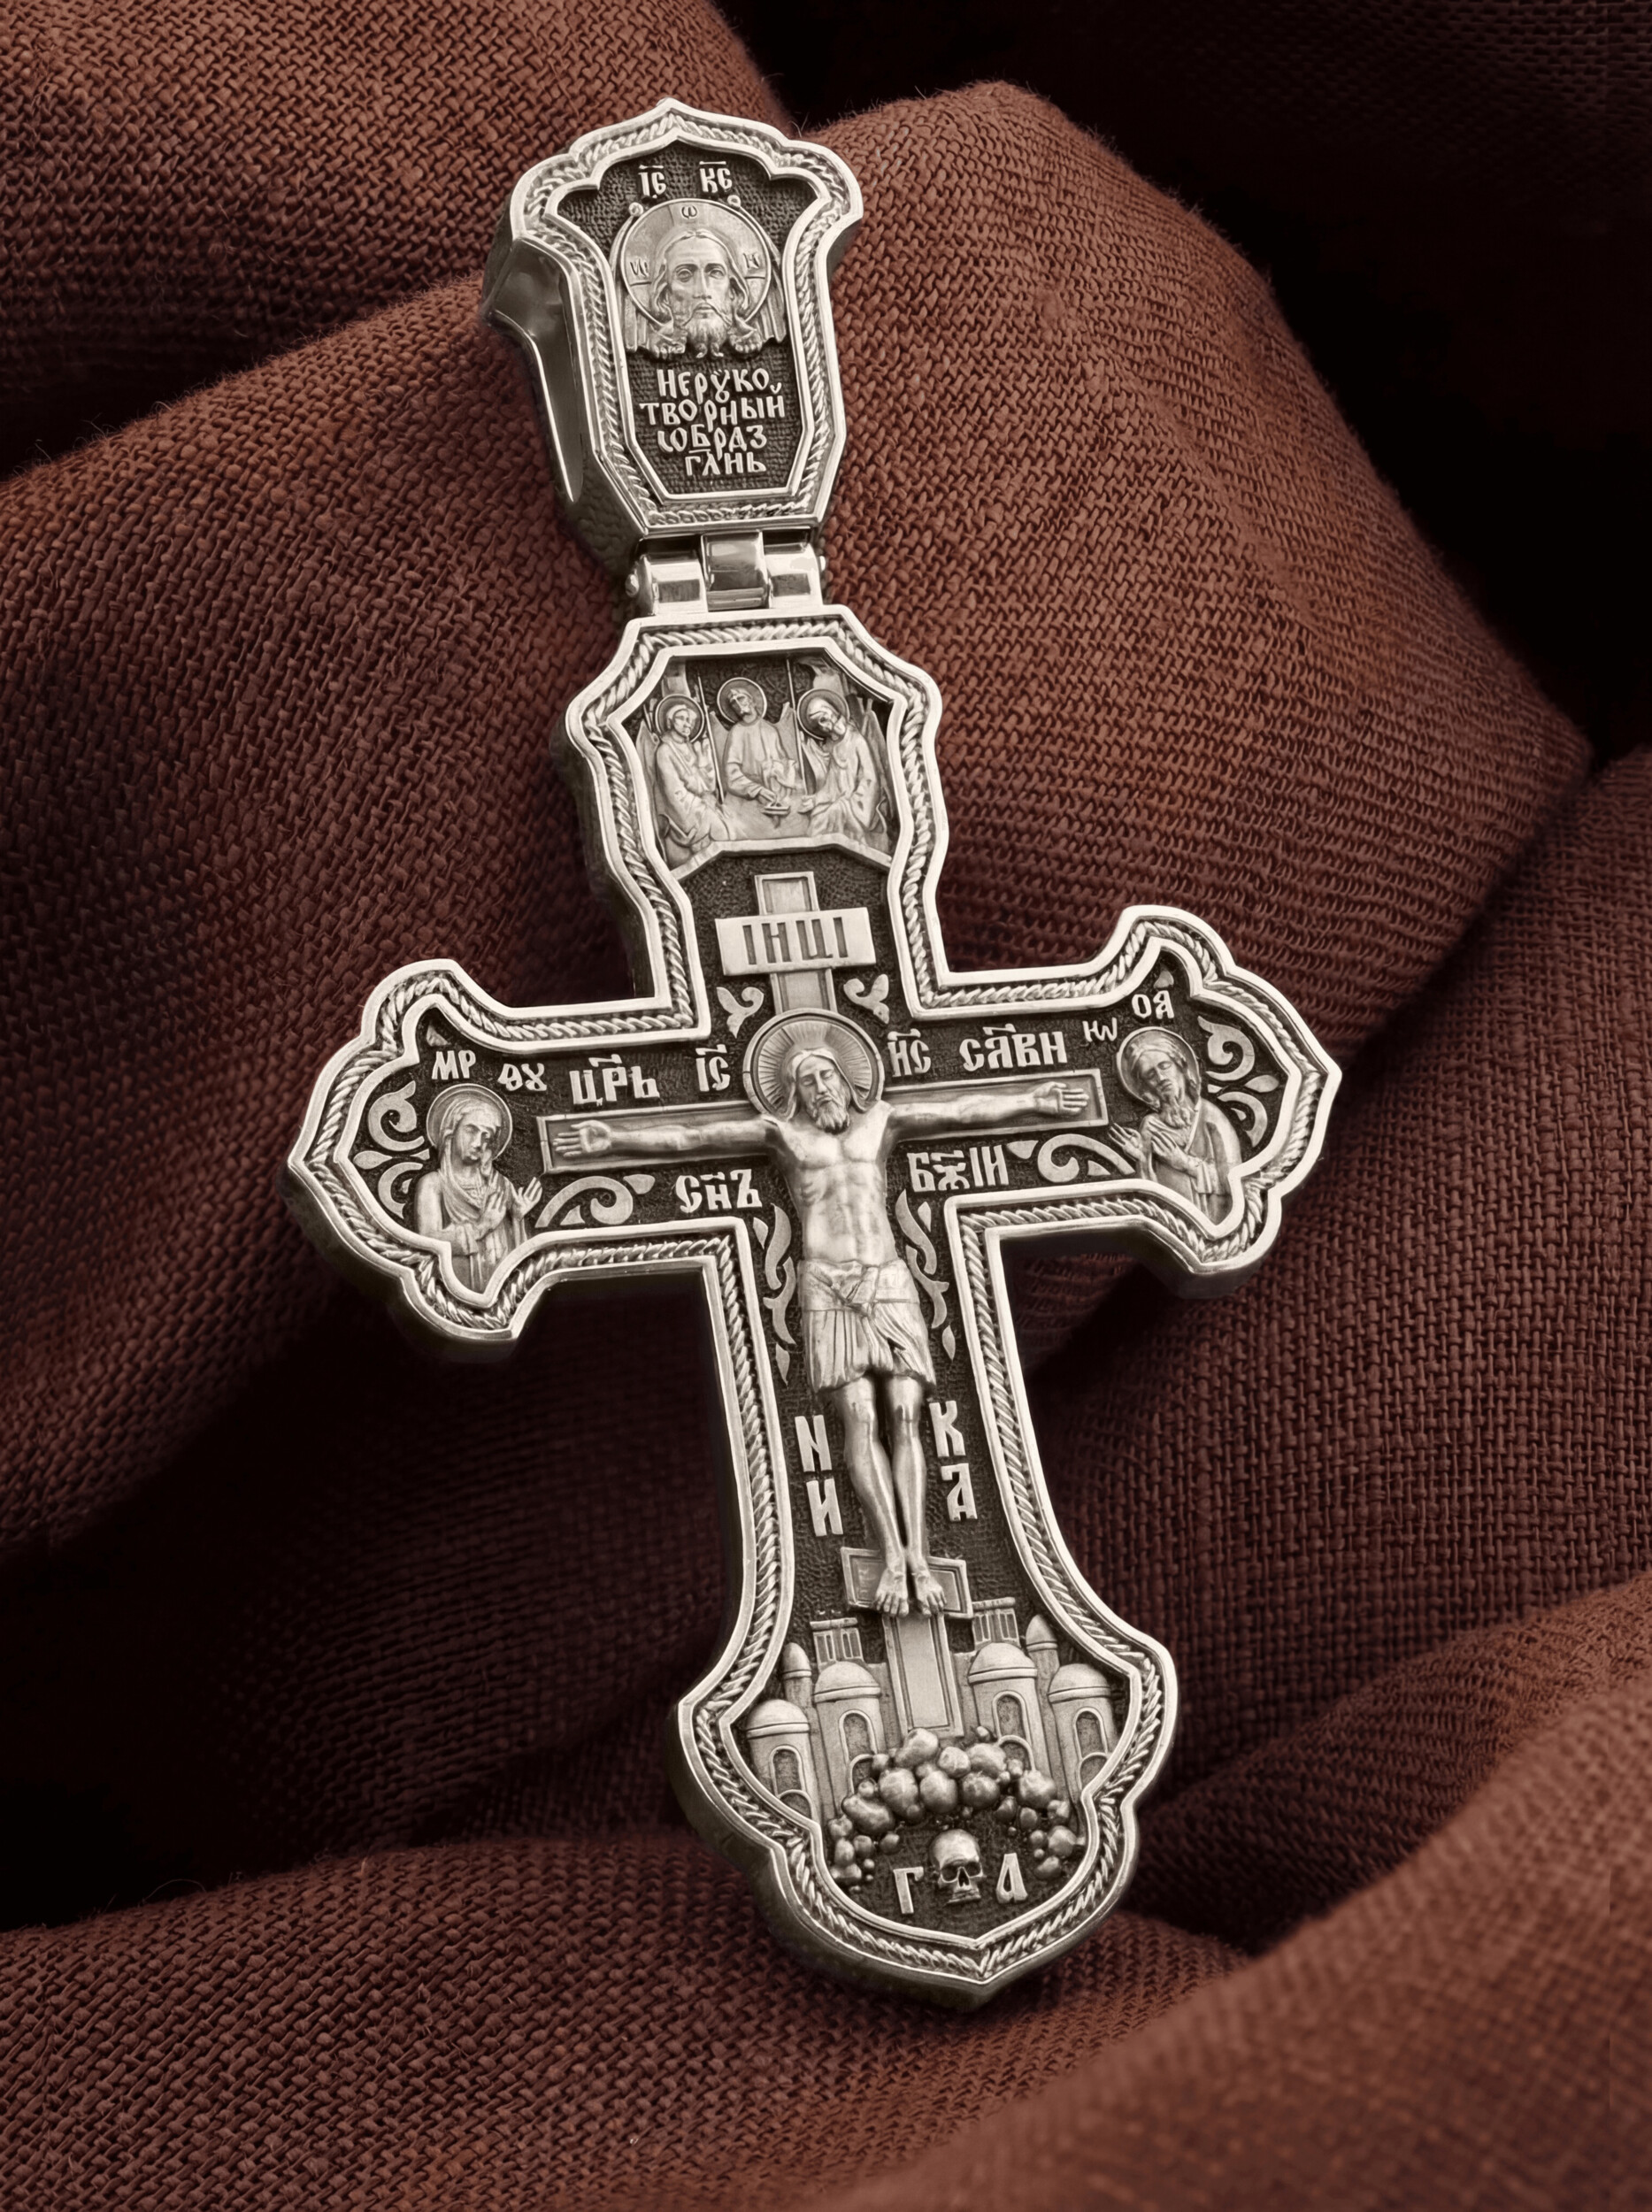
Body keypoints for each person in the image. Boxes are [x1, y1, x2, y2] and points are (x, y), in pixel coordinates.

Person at [553, 1014, 1085, 1617]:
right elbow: (691, 1138)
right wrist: (612, 1139)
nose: (822, 1088)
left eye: (828, 1076)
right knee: (859, 1417)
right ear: (794, 1093)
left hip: (888, 1282)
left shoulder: (881, 1121)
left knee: (906, 1415)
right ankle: (891, 1558)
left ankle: (919, 1556)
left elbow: (960, 1111)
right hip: (829, 1289)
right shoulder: (785, 1138)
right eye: (809, 1082)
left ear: (845, 1079)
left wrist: (1034, 1101)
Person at [415, 1087, 542, 1292]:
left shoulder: (501, 1184)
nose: (478, 1143)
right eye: (471, 1130)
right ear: (451, 1131)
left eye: (486, 1136)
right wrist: (481, 1227)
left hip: (502, 1286)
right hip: (454, 1286)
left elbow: (519, 1255)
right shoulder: (433, 1184)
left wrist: (517, 1219)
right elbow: (426, 1241)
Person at [1114, 1028, 1242, 1221]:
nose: (1160, 1078)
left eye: (1164, 1066)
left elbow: (1234, 1182)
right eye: (1150, 1074)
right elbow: (1150, 1199)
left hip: (1216, 1218)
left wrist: (1184, 1163)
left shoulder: (1210, 1117)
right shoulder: (1150, 1126)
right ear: (1145, 1087)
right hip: (1173, 1222)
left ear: (1180, 1065)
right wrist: (1142, 1160)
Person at [795, 688, 891, 853]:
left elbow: (870, 779)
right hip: (841, 801)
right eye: (818, 724)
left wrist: (854, 802)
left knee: (833, 813)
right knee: (817, 816)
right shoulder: (835, 747)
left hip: (859, 804)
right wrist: (815, 800)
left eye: (823, 719)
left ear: (833, 713)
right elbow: (831, 787)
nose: (823, 727)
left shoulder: (857, 741)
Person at [719, 677, 808, 838]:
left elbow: (781, 765)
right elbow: (731, 775)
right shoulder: (737, 732)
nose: (738, 705)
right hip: (746, 796)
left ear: (752, 701)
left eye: (741, 699)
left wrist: (786, 771)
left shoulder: (770, 730)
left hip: (776, 791)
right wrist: (757, 790)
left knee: (801, 820)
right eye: (733, 703)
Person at [651, 695, 731, 869]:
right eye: (682, 719)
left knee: (730, 826)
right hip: (685, 813)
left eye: (690, 720)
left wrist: (705, 757)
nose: (687, 724)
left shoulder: (690, 747)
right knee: (721, 830)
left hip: (703, 804)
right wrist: (702, 805)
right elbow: (674, 793)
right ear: (670, 722)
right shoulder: (665, 751)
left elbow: (707, 784)